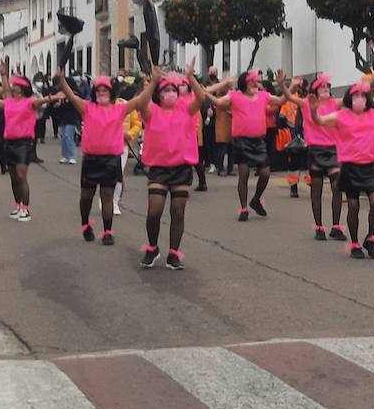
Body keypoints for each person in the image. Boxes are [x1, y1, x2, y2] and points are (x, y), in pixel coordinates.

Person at [307, 79, 374, 258]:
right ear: (350, 98)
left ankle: (370, 238)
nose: (360, 99)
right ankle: (354, 243)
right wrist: (314, 110)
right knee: (353, 206)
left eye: (363, 95)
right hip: (349, 168)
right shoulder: (341, 116)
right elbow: (319, 121)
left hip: (370, 168)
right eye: (356, 95)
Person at [55, 72, 150, 246]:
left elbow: (140, 101)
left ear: (111, 92)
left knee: (107, 197)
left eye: (105, 90)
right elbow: (69, 94)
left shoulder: (120, 108)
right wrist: (61, 80)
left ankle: (107, 231)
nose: (101, 92)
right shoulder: (87, 107)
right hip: (91, 160)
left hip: (110, 160)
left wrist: (154, 82)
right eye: (98, 90)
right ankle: (85, 225)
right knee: (86, 197)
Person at [136, 66, 213, 270]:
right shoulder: (151, 111)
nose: (170, 93)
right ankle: (152, 247)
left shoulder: (186, 109)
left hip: (181, 168)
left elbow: (201, 97)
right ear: (158, 94)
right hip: (159, 169)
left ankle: (173, 253)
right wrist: (152, 81)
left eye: (173, 89)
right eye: (165, 90)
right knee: (155, 210)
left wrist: (189, 77)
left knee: (178, 211)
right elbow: (140, 103)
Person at [210, 69, 290, 221]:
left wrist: (283, 85)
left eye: (256, 81)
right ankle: (244, 208)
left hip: (258, 141)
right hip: (241, 141)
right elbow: (219, 103)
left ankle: (256, 200)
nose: (255, 84)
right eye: (251, 81)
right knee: (244, 175)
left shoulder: (263, 96)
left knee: (265, 173)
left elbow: (281, 101)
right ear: (244, 84)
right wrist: (210, 93)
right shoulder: (234, 96)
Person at [0, 72, 60, 222]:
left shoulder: (30, 102)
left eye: (17, 85)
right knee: (14, 178)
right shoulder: (8, 102)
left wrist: (54, 97)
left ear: (23, 87)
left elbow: (41, 101)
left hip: (24, 143)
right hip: (9, 142)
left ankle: (26, 208)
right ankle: (17, 205)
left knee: (21, 175)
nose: (14, 87)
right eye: (13, 85)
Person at [299, 75, 346, 239]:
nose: (326, 88)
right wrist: (285, 86)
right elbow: (289, 98)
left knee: (337, 188)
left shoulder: (336, 103)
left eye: (328, 86)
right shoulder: (307, 103)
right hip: (315, 150)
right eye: (322, 86)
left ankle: (336, 226)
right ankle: (319, 227)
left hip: (333, 150)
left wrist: (366, 86)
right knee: (316, 190)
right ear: (316, 90)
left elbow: (351, 100)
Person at [54, 76, 81, 165]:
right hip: (62, 118)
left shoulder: (74, 94)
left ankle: (71, 156)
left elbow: (72, 106)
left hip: (71, 118)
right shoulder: (61, 94)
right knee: (63, 138)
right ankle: (65, 155)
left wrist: (61, 105)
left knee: (68, 137)